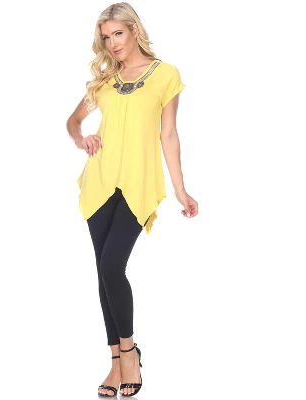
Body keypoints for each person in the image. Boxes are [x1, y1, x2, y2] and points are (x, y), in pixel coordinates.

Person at [66, 2, 198, 397]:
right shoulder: (105, 80)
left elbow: (168, 134)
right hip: (100, 181)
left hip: (138, 184)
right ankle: (115, 362)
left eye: (118, 33)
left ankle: (129, 352)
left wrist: (180, 189)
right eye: (106, 37)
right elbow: (72, 121)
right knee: (103, 272)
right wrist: (82, 138)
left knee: (112, 266)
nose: (112, 43)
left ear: (134, 30)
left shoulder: (165, 75)